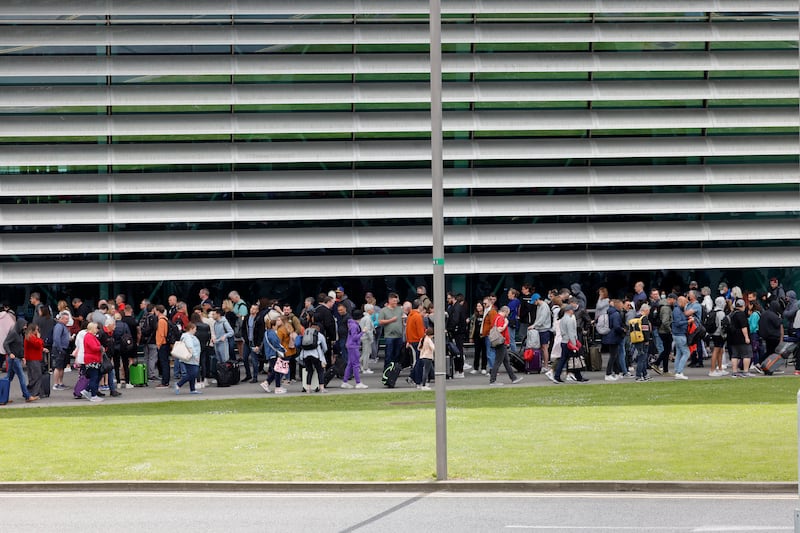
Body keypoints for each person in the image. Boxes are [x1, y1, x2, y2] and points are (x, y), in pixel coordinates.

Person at [2, 317, 38, 404]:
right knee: (21, 377)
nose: (25, 327)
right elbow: (5, 343)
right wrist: (10, 353)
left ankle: (3, 397)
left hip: (16, 358)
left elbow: (19, 347)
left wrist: (22, 356)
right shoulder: (14, 333)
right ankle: (27, 396)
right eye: (24, 325)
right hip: (13, 359)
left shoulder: (19, 334)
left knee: (8, 378)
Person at [488, 306, 524, 386]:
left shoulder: (496, 317)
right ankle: (493, 380)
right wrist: (506, 323)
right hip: (501, 342)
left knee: (506, 361)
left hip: (500, 342)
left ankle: (513, 378)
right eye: (507, 313)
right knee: (498, 362)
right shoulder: (501, 318)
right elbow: (499, 329)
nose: (507, 315)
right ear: (506, 311)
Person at [296, 324, 328, 394]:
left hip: (305, 355)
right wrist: (322, 353)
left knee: (310, 371)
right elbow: (325, 348)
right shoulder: (320, 335)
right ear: (318, 329)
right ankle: (322, 388)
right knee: (320, 371)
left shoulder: (306, 334)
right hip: (316, 355)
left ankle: (308, 388)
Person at [341, 309, 368, 389]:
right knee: (356, 365)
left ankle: (345, 381)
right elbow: (355, 337)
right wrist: (363, 332)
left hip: (350, 345)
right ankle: (358, 382)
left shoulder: (351, 324)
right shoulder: (354, 325)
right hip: (353, 346)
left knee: (350, 364)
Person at [174, 322, 202, 394]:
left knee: (191, 373)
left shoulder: (187, 336)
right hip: (191, 358)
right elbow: (190, 347)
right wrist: (196, 356)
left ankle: (192, 389)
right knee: (193, 373)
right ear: (191, 329)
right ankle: (178, 384)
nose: (196, 330)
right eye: (195, 329)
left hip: (189, 358)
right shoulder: (188, 337)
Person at [80, 322, 104, 402]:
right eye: (96, 328)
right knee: (94, 377)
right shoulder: (89, 337)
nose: (97, 329)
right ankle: (93, 395)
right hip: (92, 360)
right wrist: (100, 348)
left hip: (94, 359)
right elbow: (93, 347)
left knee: (97, 376)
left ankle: (87, 390)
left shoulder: (90, 336)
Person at [262, 317, 287, 394]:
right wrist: (282, 350)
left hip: (270, 353)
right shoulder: (272, 333)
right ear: (273, 326)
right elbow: (276, 343)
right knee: (277, 370)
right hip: (273, 353)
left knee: (275, 370)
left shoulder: (266, 333)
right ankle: (276, 387)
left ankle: (268, 383)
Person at [378, 292, 404, 369]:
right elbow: (380, 322)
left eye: (396, 301)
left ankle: (395, 370)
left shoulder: (400, 310)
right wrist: (390, 320)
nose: (395, 302)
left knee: (398, 354)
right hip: (389, 336)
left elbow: (403, 318)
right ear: (389, 300)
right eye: (393, 301)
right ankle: (387, 370)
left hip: (399, 335)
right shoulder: (384, 310)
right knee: (389, 354)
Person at [728, 299, 752, 377]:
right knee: (746, 354)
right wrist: (747, 337)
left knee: (735, 355)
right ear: (743, 306)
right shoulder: (741, 314)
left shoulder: (732, 314)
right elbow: (744, 327)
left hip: (732, 337)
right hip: (741, 337)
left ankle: (734, 372)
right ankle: (746, 371)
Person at [708, 297, 729, 377]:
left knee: (720, 351)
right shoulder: (721, 313)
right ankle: (712, 370)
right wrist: (724, 335)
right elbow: (721, 326)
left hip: (714, 333)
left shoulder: (713, 310)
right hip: (719, 334)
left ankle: (720, 369)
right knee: (716, 351)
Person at [672, 296, 691, 380]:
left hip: (678, 334)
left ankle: (677, 371)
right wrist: (687, 321)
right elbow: (677, 323)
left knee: (679, 353)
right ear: (681, 302)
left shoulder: (678, 310)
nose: (685, 304)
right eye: (685, 302)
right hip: (679, 334)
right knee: (686, 353)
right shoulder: (677, 310)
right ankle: (679, 372)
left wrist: (687, 318)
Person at [24, 323, 46, 399]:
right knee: (37, 376)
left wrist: (42, 348)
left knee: (33, 376)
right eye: (36, 329)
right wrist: (39, 338)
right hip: (33, 358)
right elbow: (38, 344)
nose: (38, 331)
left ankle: (32, 392)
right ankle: (32, 392)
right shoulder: (31, 337)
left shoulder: (30, 337)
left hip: (32, 358)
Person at [51, 311, 72, 390]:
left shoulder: (64, 326)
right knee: (58, 366)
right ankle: (56, 384)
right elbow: (56, 338)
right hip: (59, 349)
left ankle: (60, 382)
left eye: (68, 319)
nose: (67, 321)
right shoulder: (59, 326)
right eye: (66, 319)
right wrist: (60, 348)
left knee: (62, 367)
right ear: (62, 319)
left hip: (64, 348)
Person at [631, 304, 652, 382]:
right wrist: (647, 340)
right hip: (643, 341)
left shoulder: (636, 317)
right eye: (648, 311)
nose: (648, 313)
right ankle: (638, 376)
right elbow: (645, 331)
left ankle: (645, 374)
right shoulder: (644, 318)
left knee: (641, 357)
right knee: (642, 358)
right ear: (646, 310)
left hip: (636, 340)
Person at [469, 301, 487, 374]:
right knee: (477, 352)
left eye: (480, 306)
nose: (478, 308)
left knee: (484, 352)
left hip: (484, 336)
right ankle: (475, 367)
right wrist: (471, 337)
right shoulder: (474, 316)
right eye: (477, 306)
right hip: (476, 336)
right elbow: (471, 326)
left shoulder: (486, 315)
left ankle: (484, 367)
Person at [359, 304, 375, 375]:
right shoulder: (368, 318)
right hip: (366, 338)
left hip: (364, 337)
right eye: (372, 309)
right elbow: (368, 330)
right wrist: (371, 339)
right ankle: (365, 368)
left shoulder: (364, 318)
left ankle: (361, 366)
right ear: (369, 310)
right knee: (366, 353)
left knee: (364, 353)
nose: (373, 310)